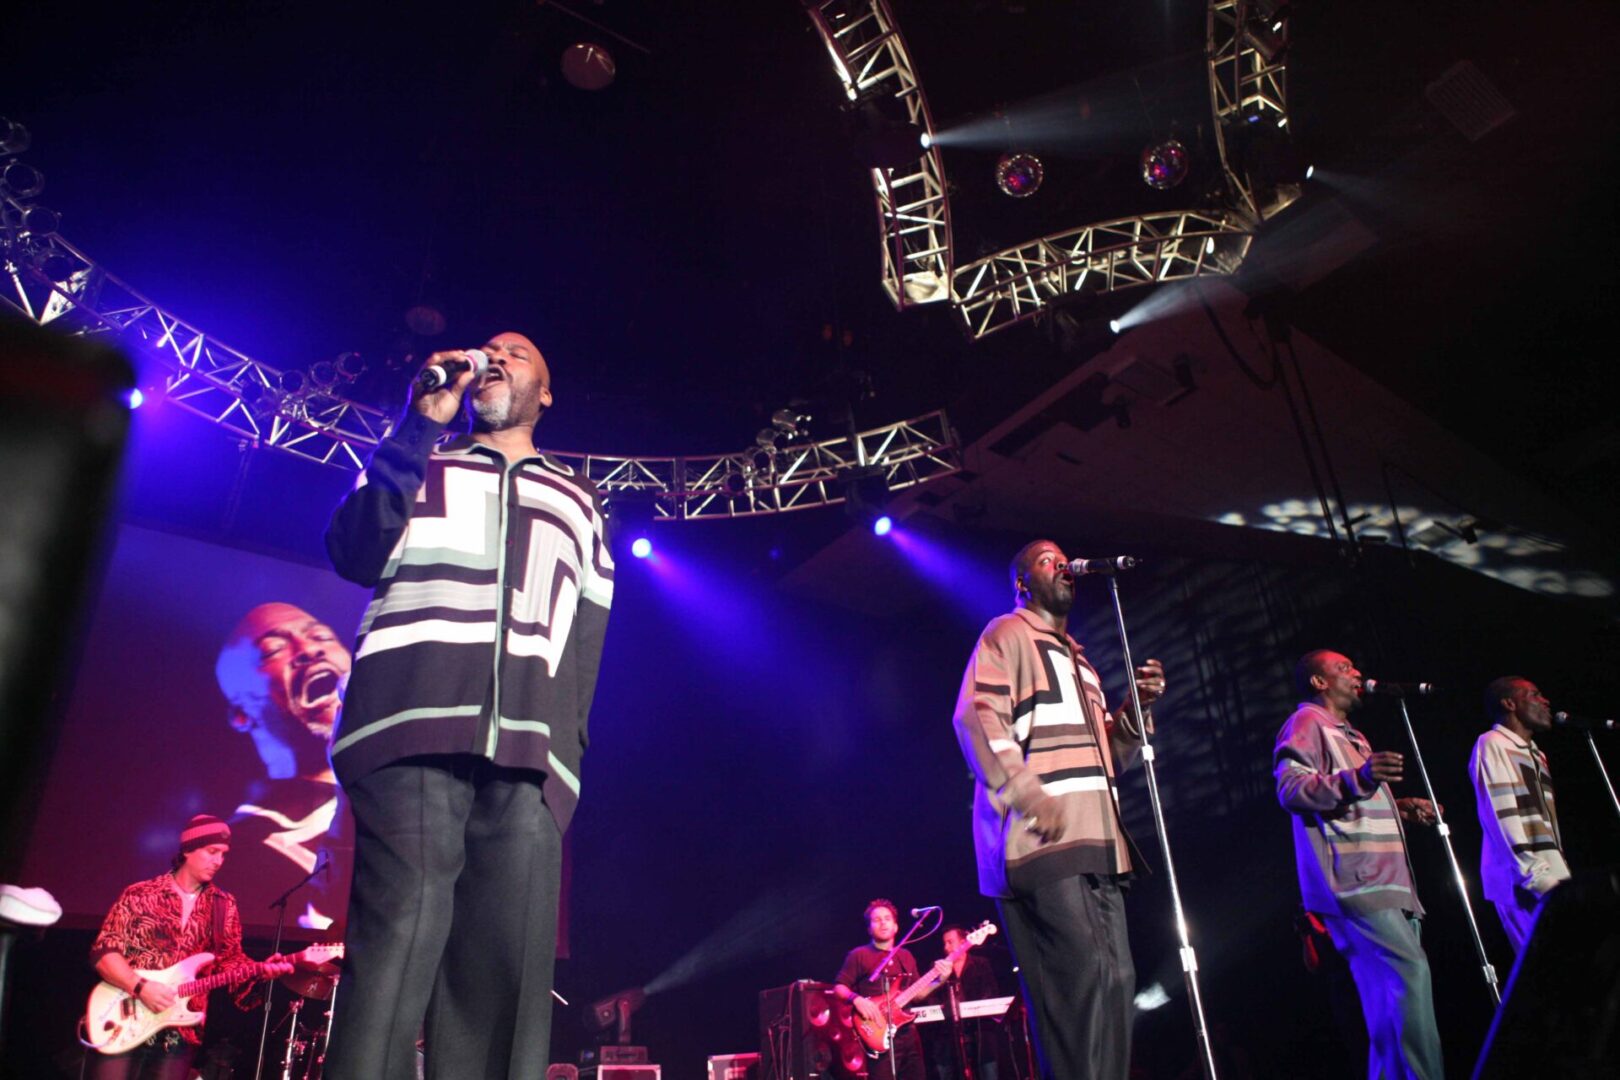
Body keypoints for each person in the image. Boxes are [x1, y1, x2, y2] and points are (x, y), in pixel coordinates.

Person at [321, 332, 613, 1080]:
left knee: (504, 973)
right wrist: (420, 421)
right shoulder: (423, 462)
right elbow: (353, 552)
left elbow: (584, 644)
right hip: (407, 721)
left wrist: (565, 766)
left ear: (545, 392)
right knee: (399, 940)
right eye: (486, 350)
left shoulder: (578, 502)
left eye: (515, 353)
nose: (494, 358)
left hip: (529, 755)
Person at [951, 539, 1166, 1080]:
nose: (1065, 565)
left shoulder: (1083, 661)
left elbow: (1106, 752)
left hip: (1098, 839)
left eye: (1065, 558)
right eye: (1049, 560)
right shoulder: (1006, 633)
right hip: (1042, 839)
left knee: (1116, 981)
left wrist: (1131, 716)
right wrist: (1025, 790)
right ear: (1024, 583)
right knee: (1080, 982)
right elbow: (977, 717)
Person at [1275, 650, 1443, 1080]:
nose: (1357, 674)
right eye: (1344, 668)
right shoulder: (1308, 722)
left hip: (1386, 880)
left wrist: (1401, 807)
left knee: (1388, 1004)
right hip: (1357, 882)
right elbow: (1292, 789)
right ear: (1318, 682)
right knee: (1410, 977)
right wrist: (1363, 778)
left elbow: (1350, 797)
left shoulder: (1352, 734)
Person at [85, 815, 292, 1080]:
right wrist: (140, 986)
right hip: (125, 1017)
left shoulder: (223, 905)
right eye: (212, 851)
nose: (219, 861)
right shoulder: (140, 894)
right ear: (187, 850)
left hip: (180, 1033)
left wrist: (260, 971)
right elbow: (104, 952)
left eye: (223, 854)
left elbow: (229, 961)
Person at [215, 601, 354, 929]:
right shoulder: (238, 851)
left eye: (321, 636)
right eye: (272, 650)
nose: (308, 649)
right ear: (242, 713)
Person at [1470, 676, 1570, 953]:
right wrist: (1536, 876)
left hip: (1550, 872)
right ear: (1509, 703)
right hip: (1523, 880)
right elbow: (1501, 817)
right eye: (1535, 695)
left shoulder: (1536, 754)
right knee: (1549, 970)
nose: (1545, 701)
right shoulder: (1492, 743)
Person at [833, 898, 952, 1080]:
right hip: (876, 1031)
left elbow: (918, 994)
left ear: (896, 926)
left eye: (887, 918)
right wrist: (856, 999)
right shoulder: (859, 955)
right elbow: (839, 987)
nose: (883, 923)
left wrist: (940, 980)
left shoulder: (906, 956)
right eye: (877, 920)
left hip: (907, 1034)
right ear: (869, 928)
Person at [928, 925, 1002, 1080]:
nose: (946, 947)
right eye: (944, 943)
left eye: (950, 942)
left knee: (989, 1071)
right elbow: (932, 1000)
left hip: (980, 1030)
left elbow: (991, 993)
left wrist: (973, 1009)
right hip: (948, 1035)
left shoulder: (981, 964)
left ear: (963, 943)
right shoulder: (938, 969)